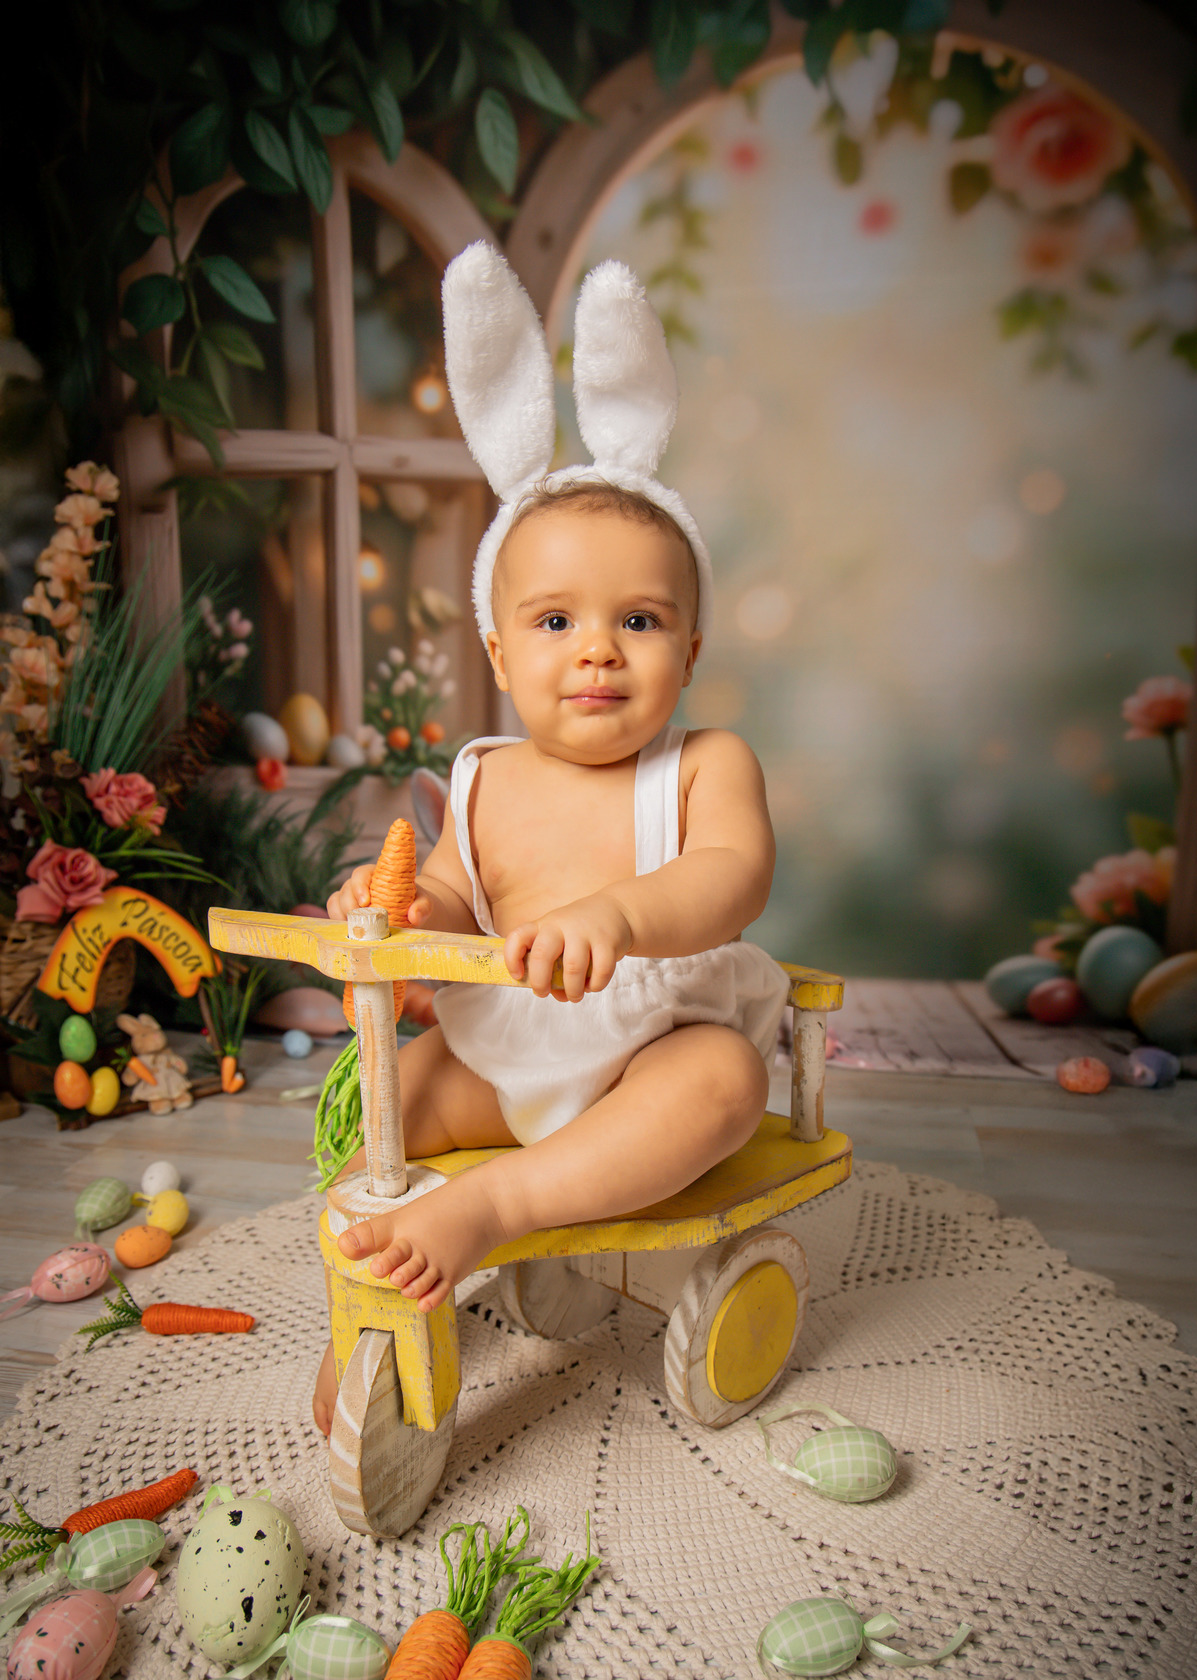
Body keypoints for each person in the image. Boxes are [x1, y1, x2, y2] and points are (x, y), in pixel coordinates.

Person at [312, 246, 788, 1436]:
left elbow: (732, 878)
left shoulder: (706, 764)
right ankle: (369, 1310)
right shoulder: (480, 775)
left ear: (689, 650)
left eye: (641, 620)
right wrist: (403, 916)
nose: (597, 650)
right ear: (498, 650)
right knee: (387, 1103)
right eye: (556, 619)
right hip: (504, 1051)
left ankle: (496, 1209)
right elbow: (458, 896)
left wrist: (618, 915)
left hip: (645, 1054)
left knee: (726, 1084)